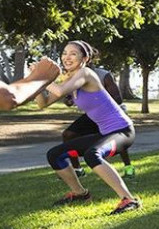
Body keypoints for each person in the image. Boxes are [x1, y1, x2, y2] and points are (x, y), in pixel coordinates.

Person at [36, 41, 141, 215]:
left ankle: (129, 199)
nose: (66, 57)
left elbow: (60, 91)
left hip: (123, 131)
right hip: (104, 133)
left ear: (84, 58)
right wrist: (37, 80)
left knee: (93, 154)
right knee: (54, 154)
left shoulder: (86, 73)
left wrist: (42, 77)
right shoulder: (69, 80)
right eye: (64, 53)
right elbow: (43, 103)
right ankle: (80, 194)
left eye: (73, 54)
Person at [62, 63, 134, 179]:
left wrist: (99, 98)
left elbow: (118, 99)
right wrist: (70, 100)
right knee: (68, 135)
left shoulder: (103, 75)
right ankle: (78, 170)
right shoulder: (72, 79)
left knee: (117, 136)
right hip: (93, 114)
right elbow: (67, 100)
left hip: (112, 114)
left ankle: (128, 167)